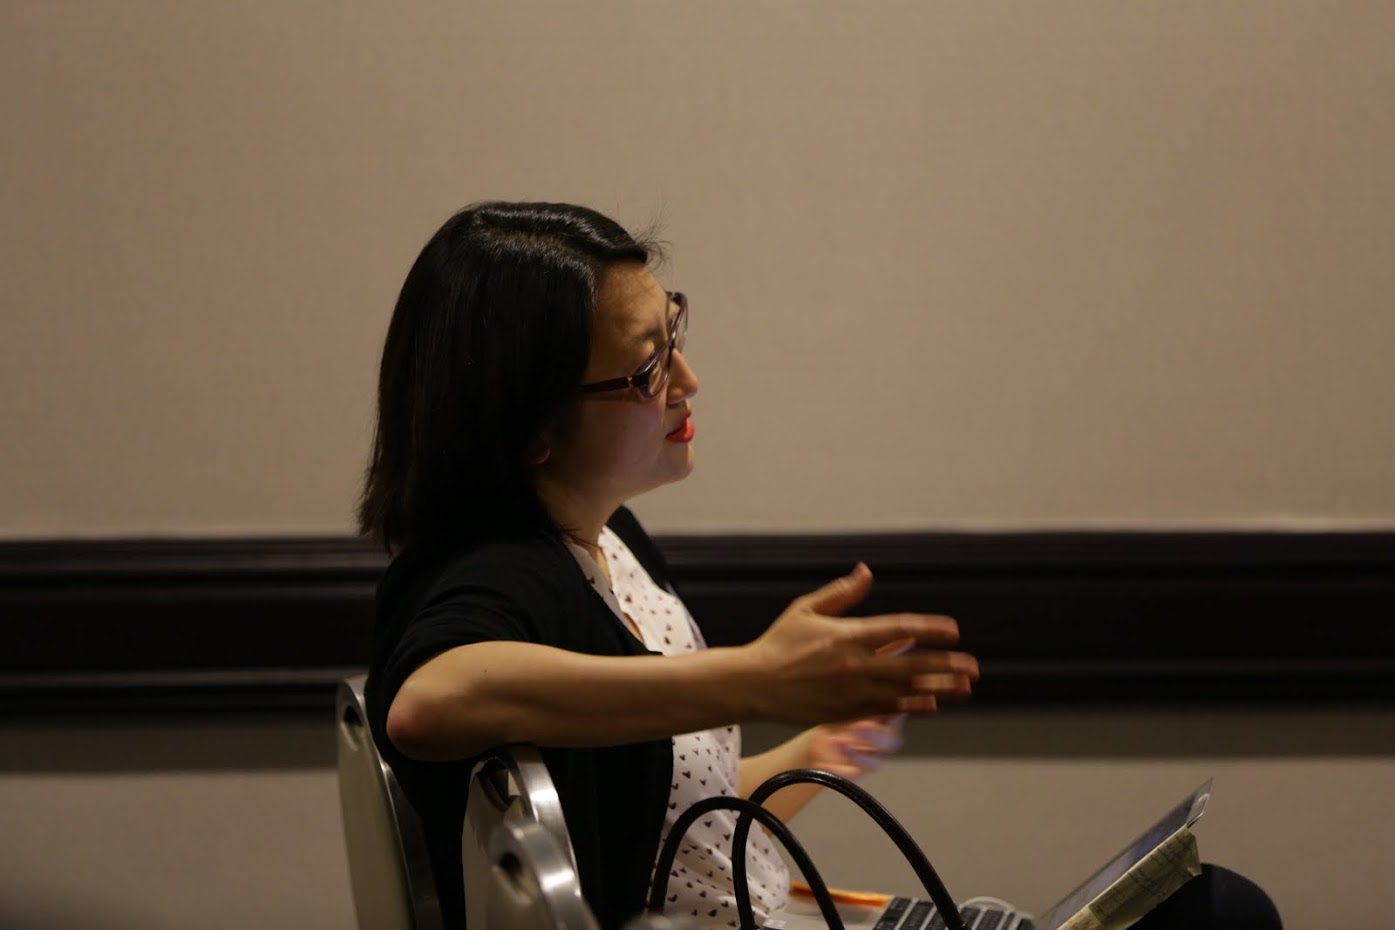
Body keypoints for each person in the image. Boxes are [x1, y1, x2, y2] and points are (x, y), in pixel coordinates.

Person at [360, 201, 1279, 930]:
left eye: (671, 334)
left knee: (1202, 903)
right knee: (1220, 912)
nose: (685, 381)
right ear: (527, 430)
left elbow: (674, 830)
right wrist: (752, 680)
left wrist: (810, 751)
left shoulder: (613, 542)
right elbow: (430, 702)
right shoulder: (498, 572)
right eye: (646, 368)